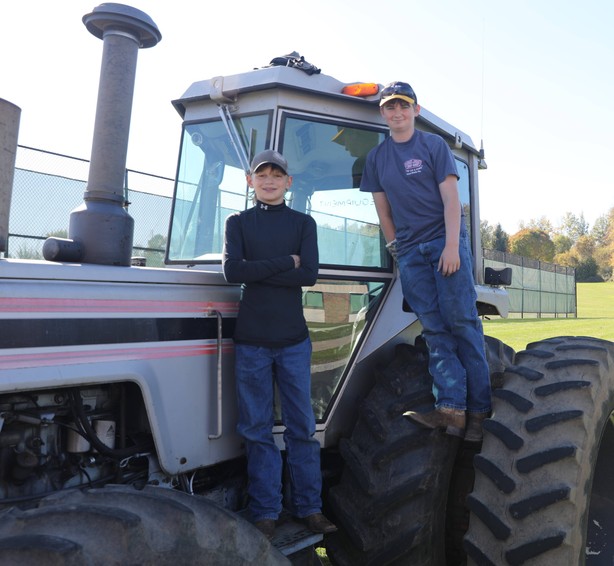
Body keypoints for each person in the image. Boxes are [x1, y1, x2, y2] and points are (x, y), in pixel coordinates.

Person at [359, 82, 491, 442]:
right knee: (434, 330)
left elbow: (452, 202)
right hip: (411, 252)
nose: (397, 112)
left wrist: (451, 246)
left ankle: (479, 414)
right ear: (383, 113)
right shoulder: (377, 158)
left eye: (403, 106)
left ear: (416, 110)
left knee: (463, 323)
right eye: (390, 107)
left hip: (443, 243)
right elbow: (383, 209)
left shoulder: (433, 146)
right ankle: (450, 409)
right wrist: (395, 247)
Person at [222, 149, 337, 540]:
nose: (269, 181)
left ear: (289, 182)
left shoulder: (303, 224)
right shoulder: (237, 222)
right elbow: (232, 271)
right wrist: (282, 262)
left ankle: (310, 508)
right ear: (250, 182)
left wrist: (263, 271)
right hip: (252, 341)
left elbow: (308, 275)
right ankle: (266, 510)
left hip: (292, 341)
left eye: (277, 175)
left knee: (301, 428)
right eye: (262, 175)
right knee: (255, 430)